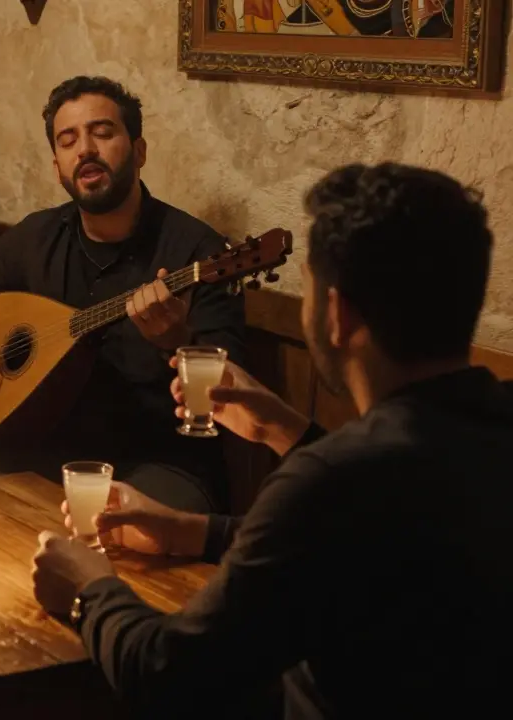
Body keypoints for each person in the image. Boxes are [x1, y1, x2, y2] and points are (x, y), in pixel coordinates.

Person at [31, 162, 513, 718]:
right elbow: (371, 532)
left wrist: (90, 589)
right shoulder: (481, 432)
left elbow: (166, 675)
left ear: (337, 314)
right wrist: (193, 528)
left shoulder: (332, 482)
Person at [0, 76, 245, 512]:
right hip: (33, 455)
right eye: (68, 141)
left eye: (102, 133)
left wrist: (175, 343)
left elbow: (231, 385)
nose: (85, 149)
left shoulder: (198, 253)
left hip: (155, 463)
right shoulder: (38, 237)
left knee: (116, 527)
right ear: (58, 167)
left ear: (139, 151)